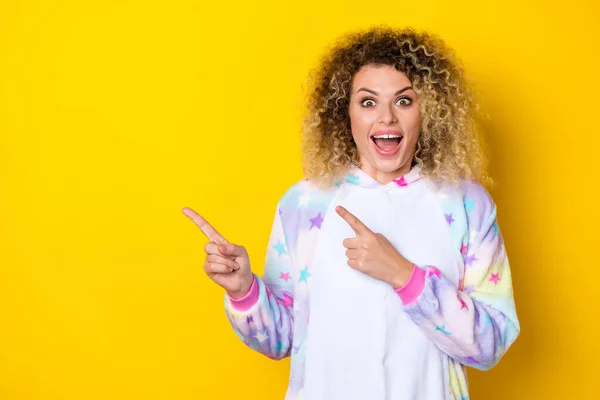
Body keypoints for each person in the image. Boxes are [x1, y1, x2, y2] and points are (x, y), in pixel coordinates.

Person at [183, 26, 520, 400]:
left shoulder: (466, 204)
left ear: (430, 112)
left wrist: (405, 276)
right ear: (345, 112)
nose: (387, 118)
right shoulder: (304, 203)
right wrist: (244, 291)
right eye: (368, 102)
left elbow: (491, 342)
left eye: (404, 101)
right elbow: (280, 341)